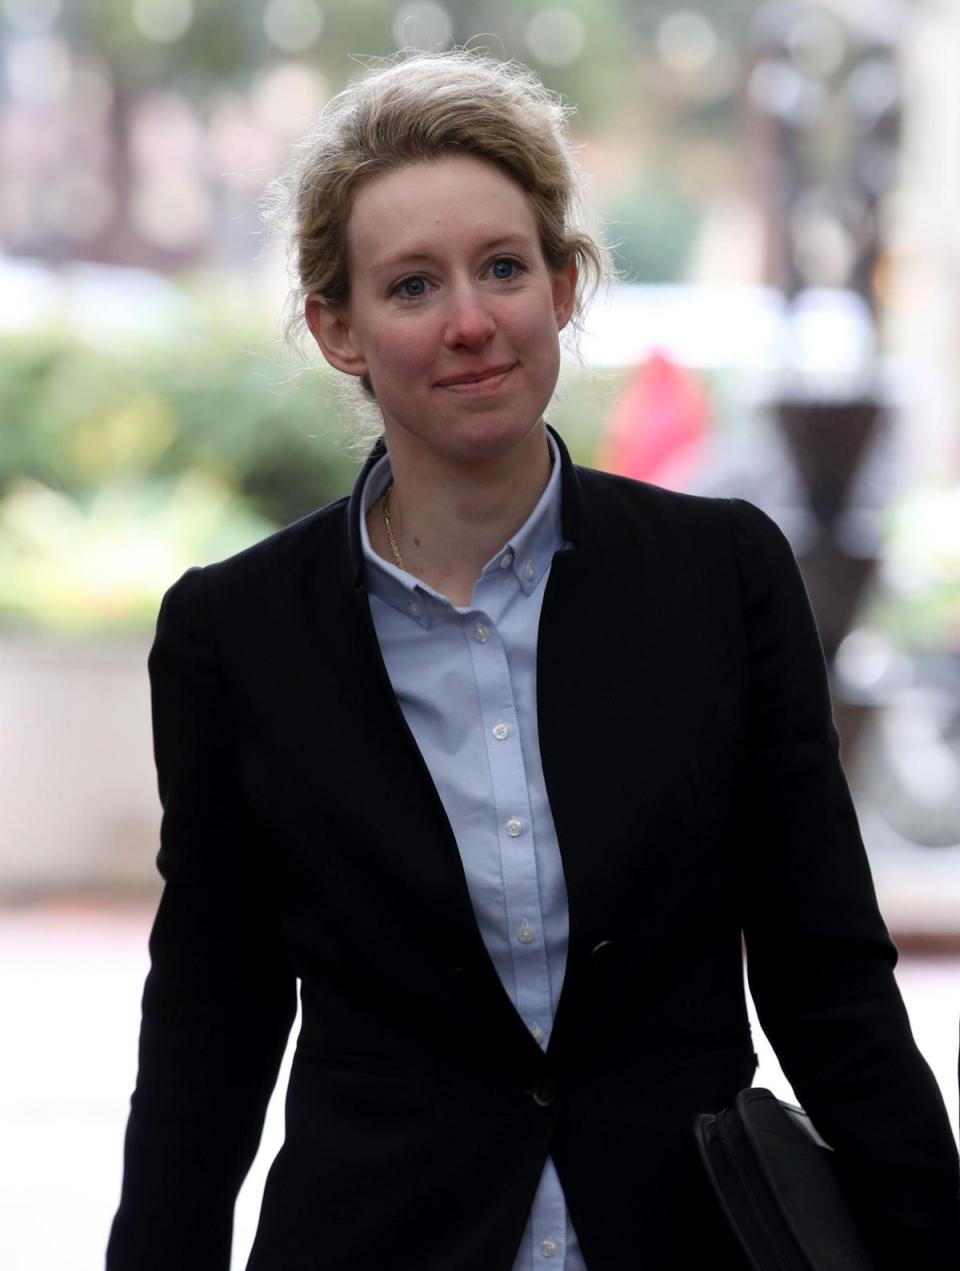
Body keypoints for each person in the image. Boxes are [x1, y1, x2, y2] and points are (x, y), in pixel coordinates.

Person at [107, 50, 960, 1271]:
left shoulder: (721, 575)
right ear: (338, 328)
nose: (470, 321)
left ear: (564, 285)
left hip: (691, 1237)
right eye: (412, 285)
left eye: (503, 267)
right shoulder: (235, 634)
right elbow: (210, 1020)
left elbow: (828, 972)